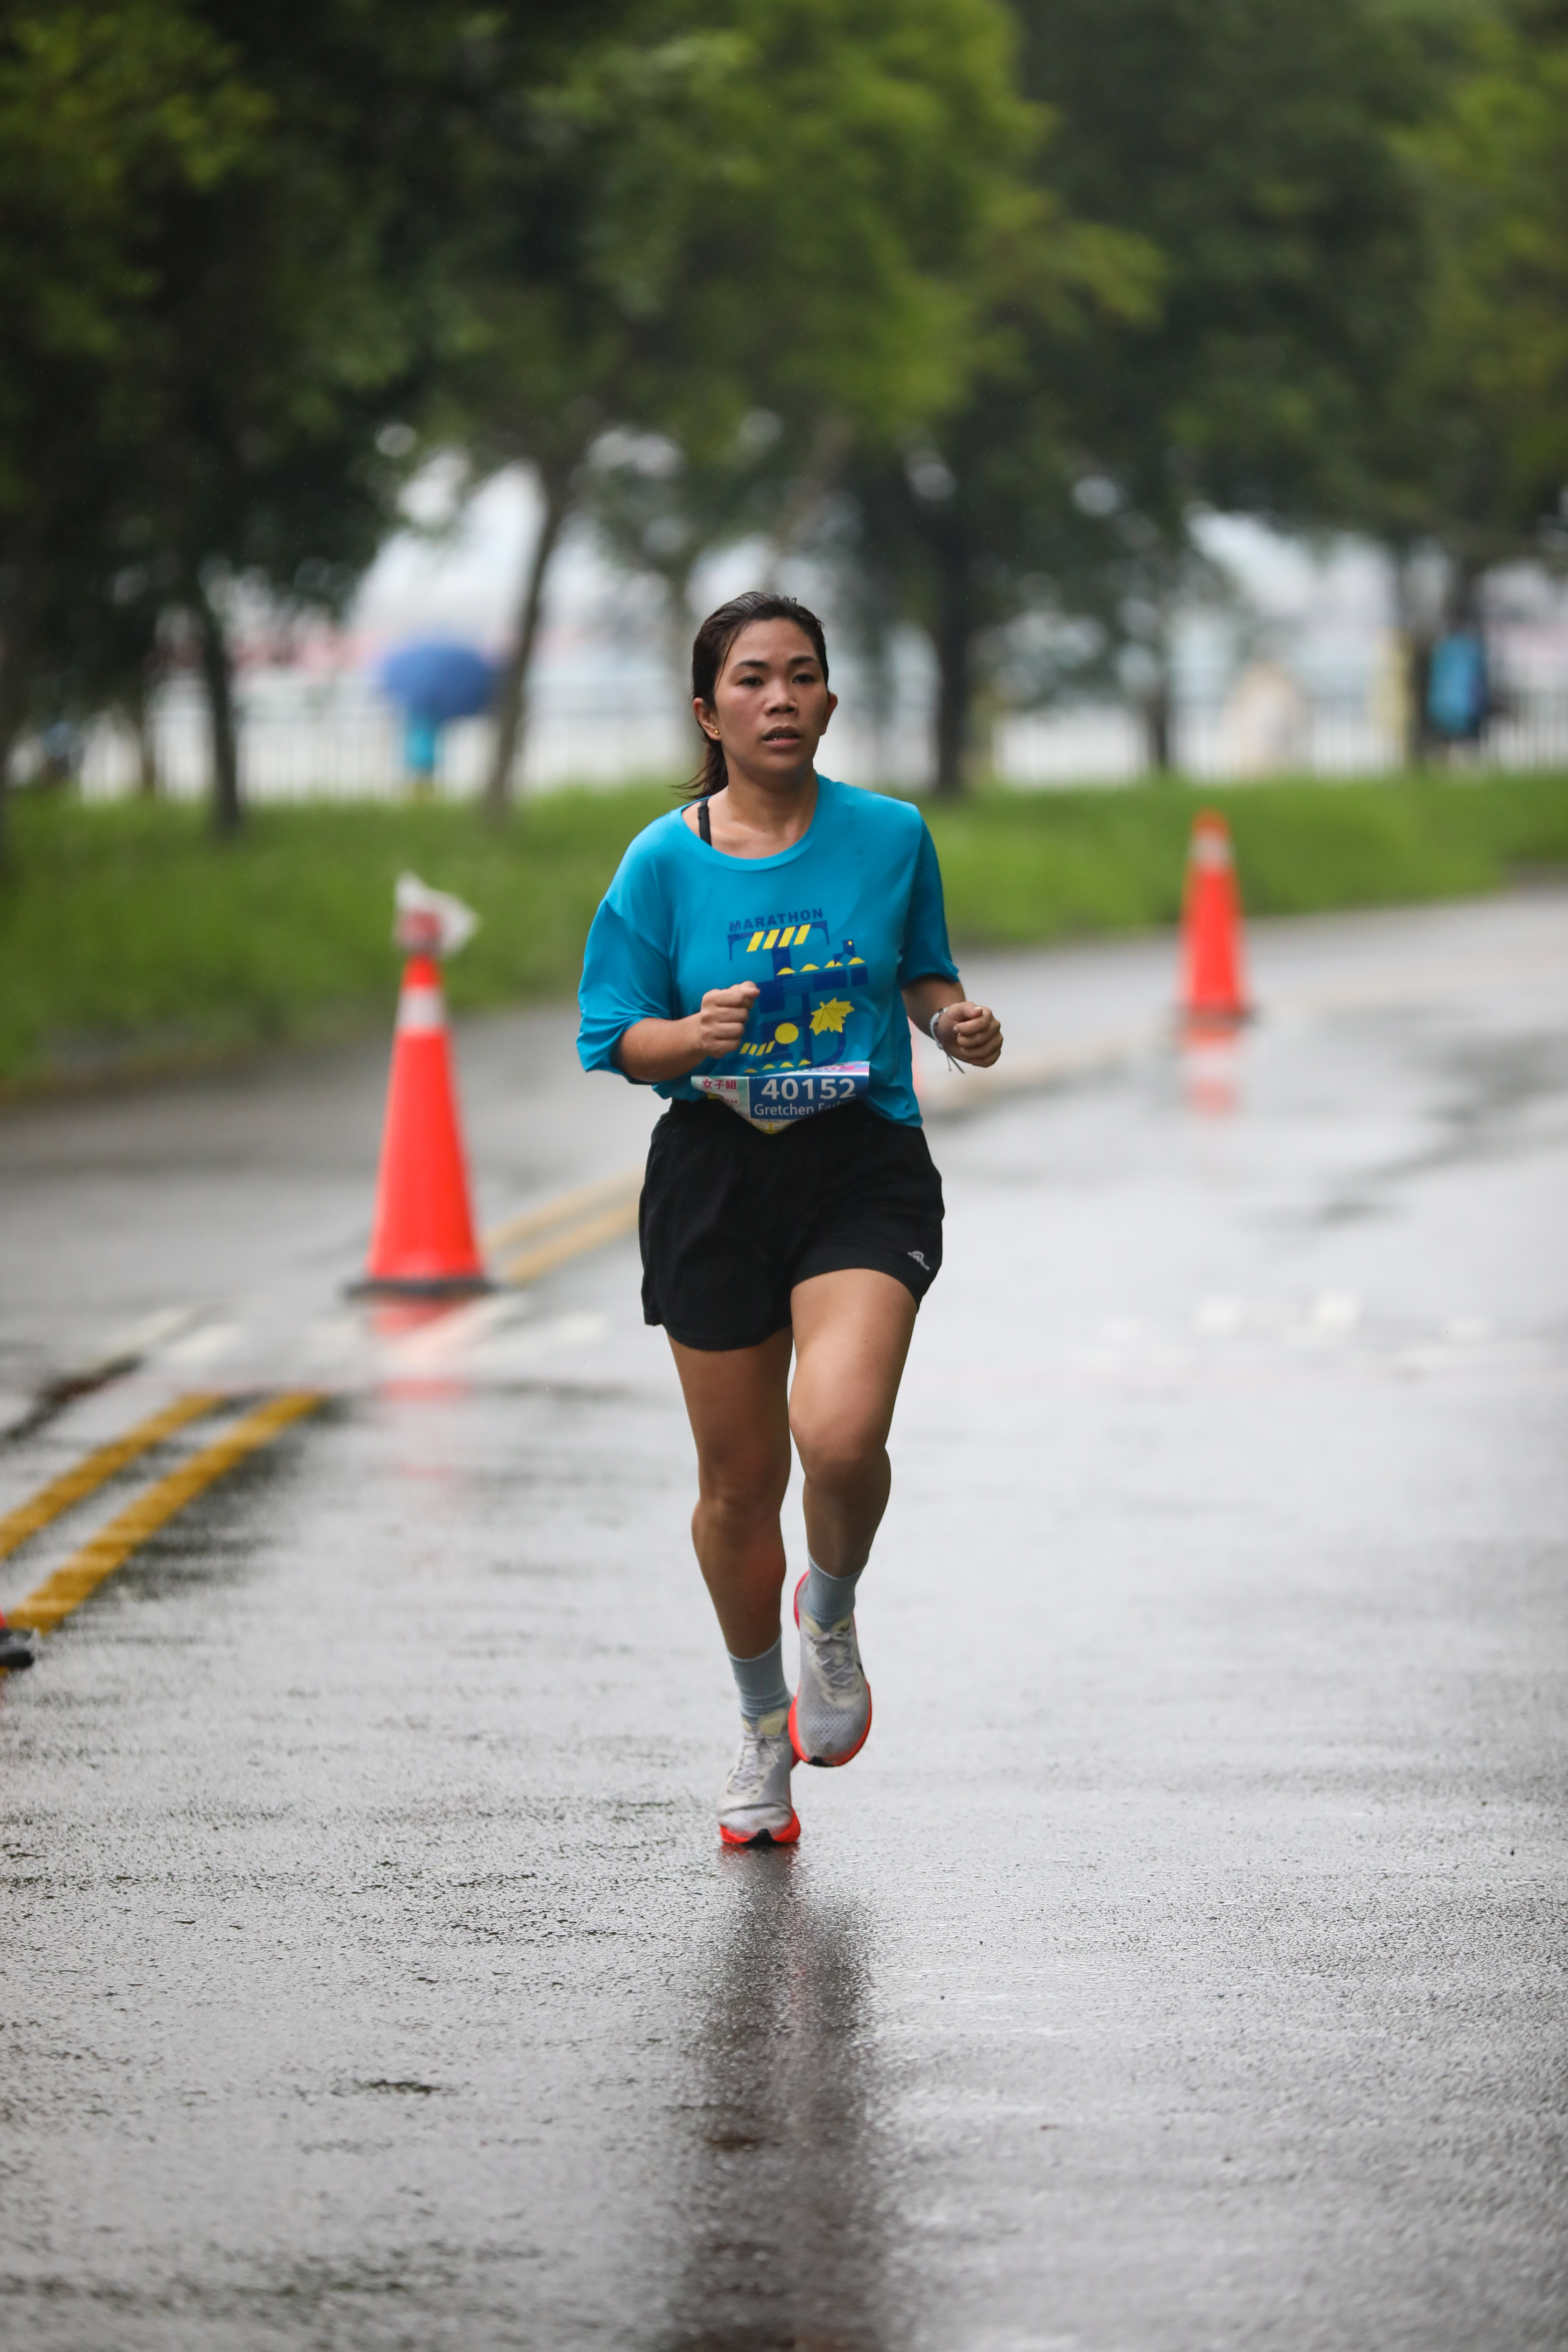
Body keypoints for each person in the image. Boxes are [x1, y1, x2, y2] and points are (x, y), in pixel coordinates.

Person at [578, 591, 1001, 1845]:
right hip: (714, 1176)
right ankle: (764, 1729)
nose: (781, 698)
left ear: (830, 700)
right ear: (708, 714)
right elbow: (613, 1035)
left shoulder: (891, 835)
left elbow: (921, 969)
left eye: (802, 675)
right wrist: (690, 1037)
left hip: (860, 1164)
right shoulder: (661, 864)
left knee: (842, 1431)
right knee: (737, 1485)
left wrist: (954, 1020)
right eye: (753, 679)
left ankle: (833, 1609)